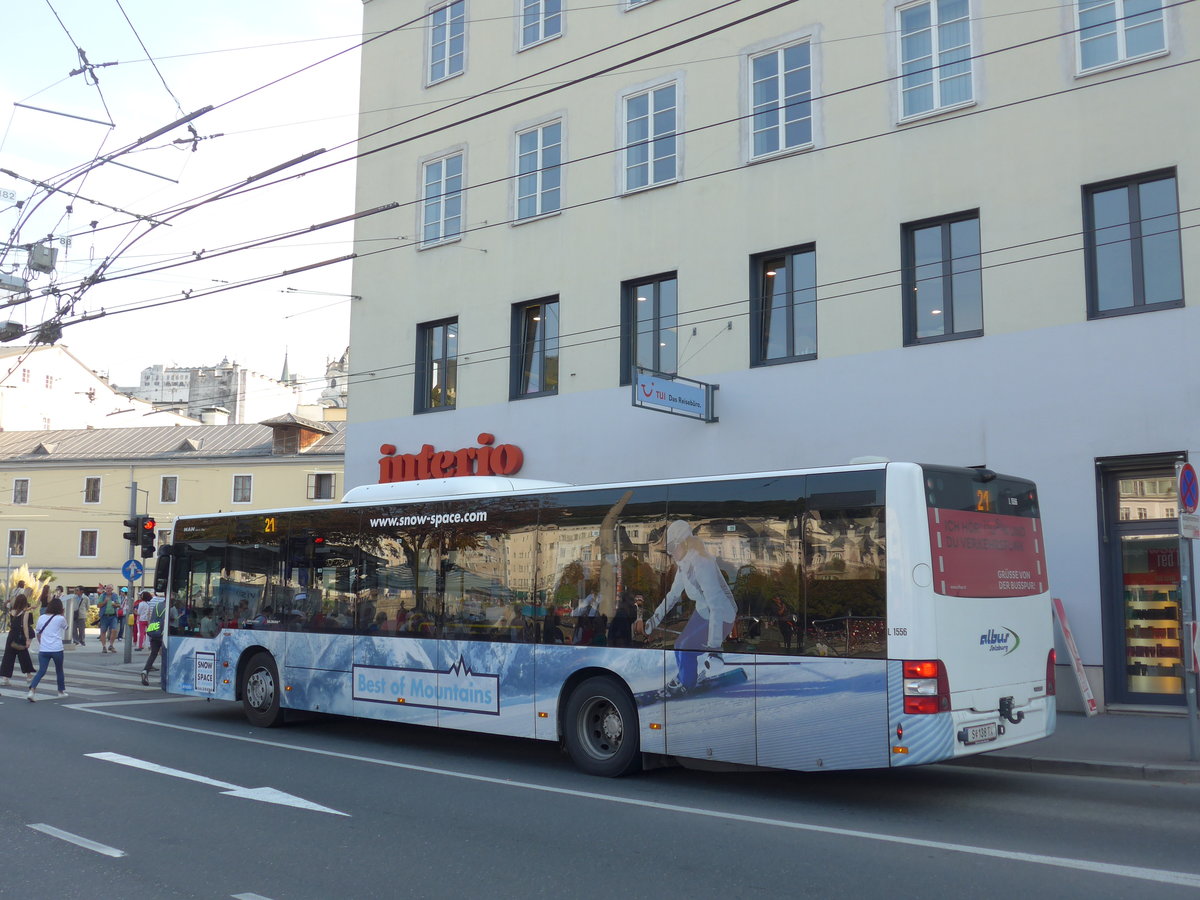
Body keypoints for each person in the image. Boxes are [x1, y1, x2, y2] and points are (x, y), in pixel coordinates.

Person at [641, 520, 739, 694]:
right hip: (703, 611)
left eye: (672, 547)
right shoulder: (684, 566)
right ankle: (685, 677)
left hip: (722, 615)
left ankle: (686, 683)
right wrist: (654, 620)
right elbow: (672, 596)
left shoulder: (702, 564)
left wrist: (715, 647)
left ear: (684, 542)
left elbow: (715, 604)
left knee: (686, 649)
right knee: (679, 644)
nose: (670, 553)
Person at [28, 596, 69, 701]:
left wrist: (42, 643)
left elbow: (38, 633)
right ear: (60, 608)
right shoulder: (60, 618)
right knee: (59, 670)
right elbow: (66, 627)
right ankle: (61, 691)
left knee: (41, 671)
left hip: (44, 649)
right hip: (57, 649)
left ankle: (32, 690)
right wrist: (62, 614)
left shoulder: (41, 617)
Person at [1, 594, 35, 687]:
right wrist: (27, 639)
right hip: (20, 636)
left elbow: (10, 601)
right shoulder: (25, 613)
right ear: (25, 603)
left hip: (11, 636)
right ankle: (29, 676)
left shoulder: (12, 611)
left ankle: (5, 678)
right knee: (24, 656)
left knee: (8, 656)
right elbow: (25, 627)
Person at [140, 594, 167, 686]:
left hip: (153, 631)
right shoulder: (170, 607)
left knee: (153, 653)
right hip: (163, 634)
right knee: (165, 655)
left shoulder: (157, 605)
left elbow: (151, 617)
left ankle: (145, 671)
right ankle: (163, 677)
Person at [97, 587, 120, 652]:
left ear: (112, 589)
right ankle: (104, 647)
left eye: (110, 588)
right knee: (103, 631)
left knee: (114, 630)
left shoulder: (115, 596)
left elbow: (119, 604)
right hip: (104, 616)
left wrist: (115, 605)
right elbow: (98, 605)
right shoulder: (102, 596)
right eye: (107, 588)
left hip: (113, 616)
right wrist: (105, 602)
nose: (108, 590)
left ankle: (111, 645)